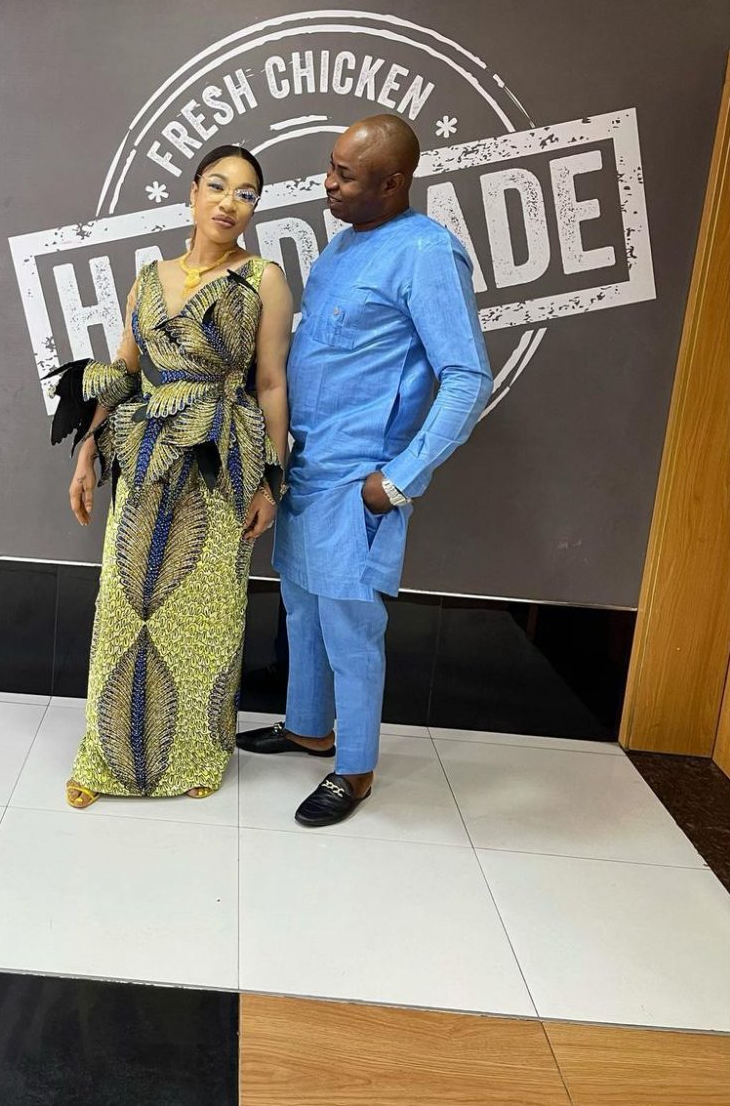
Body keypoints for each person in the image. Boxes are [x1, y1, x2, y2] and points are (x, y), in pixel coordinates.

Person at [236, 115, 492, 828]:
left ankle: (354, 768)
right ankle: (308, 729)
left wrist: (400, 478)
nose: (328, 183)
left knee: (350, 625)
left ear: (393, 182)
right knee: (303, 608)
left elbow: (468, 377)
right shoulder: (342, 247)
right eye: (331, 167)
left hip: (359, 481)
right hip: (306, 468)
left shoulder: (427, 253)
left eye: (345, 175)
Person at [50, 145, 293, 807]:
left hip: (224, 462)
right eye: (217, 185)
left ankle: (194, 756)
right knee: (126, 612)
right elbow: (125, 373)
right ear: (192, 192)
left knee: (209, 615)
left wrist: (270, 481)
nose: (229, 202)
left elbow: (271, 384)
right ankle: (106, 760)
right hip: (146, 461)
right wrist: (86, 451)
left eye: (246, 193)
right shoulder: (148, 278)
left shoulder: (264, 279)